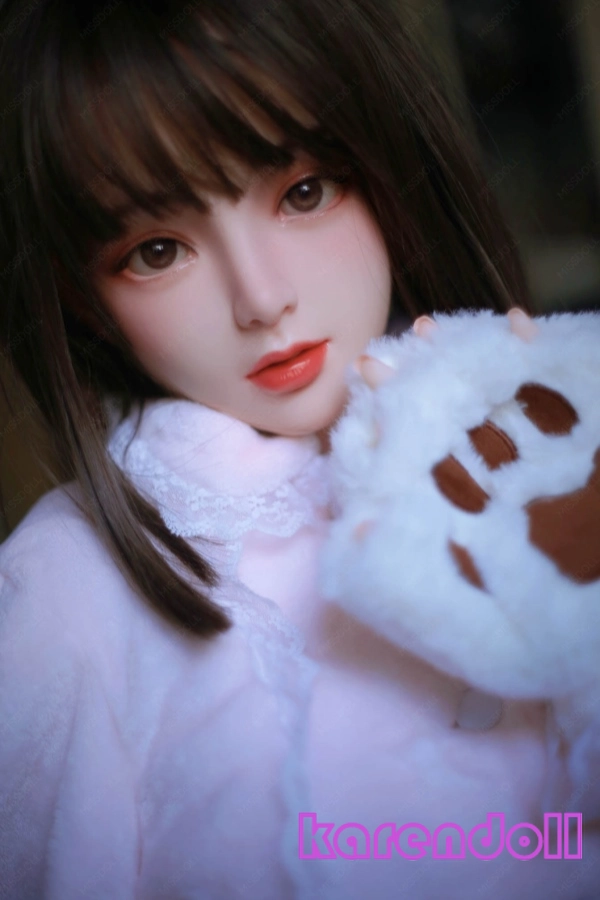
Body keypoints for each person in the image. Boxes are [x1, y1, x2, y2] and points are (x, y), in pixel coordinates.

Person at [0, 1, 598, 897]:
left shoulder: (558, 433)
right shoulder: (61, 594)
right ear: (84, 300)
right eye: (157, 250)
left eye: (304, 193)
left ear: (392, 167)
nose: (260, 298)